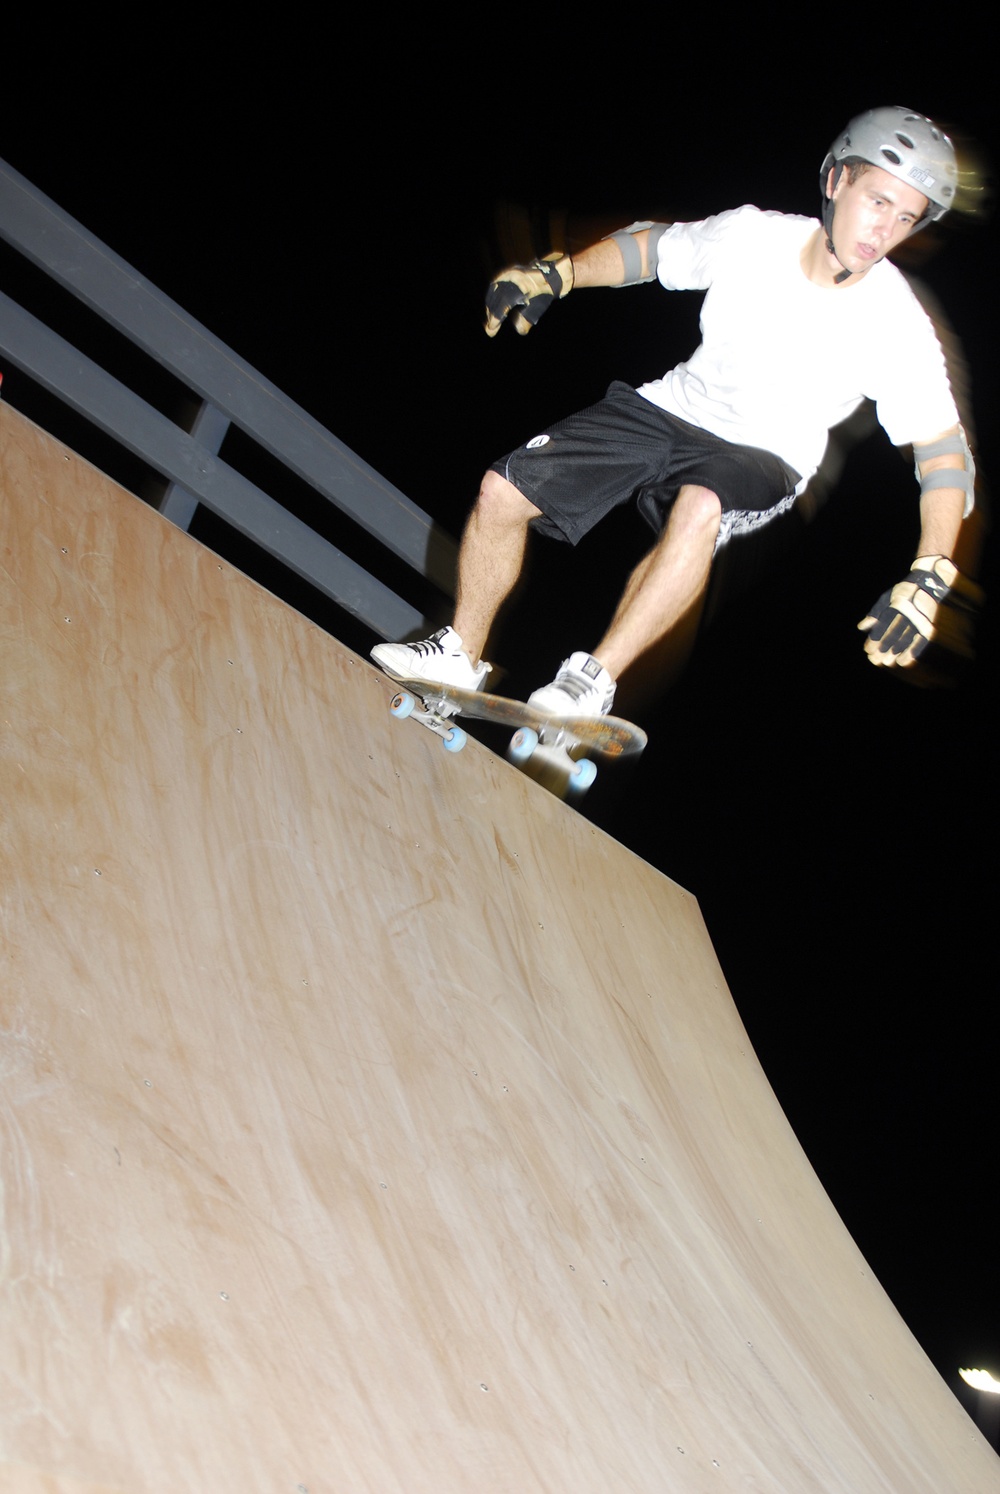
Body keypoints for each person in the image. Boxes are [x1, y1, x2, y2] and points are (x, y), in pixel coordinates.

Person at [372, 106, 982, 716]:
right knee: (501, 491)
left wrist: (930, 572)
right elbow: (652, 251)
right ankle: (459, 657)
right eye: (878, 201)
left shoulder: (897, 323)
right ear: (837, 181)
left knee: (700, 506)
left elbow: (944, 455)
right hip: (670, 407)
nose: (883, 232)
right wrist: (560, 274)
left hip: (766, 455)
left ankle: (590, 680)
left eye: (904, 218)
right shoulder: (754, 235)